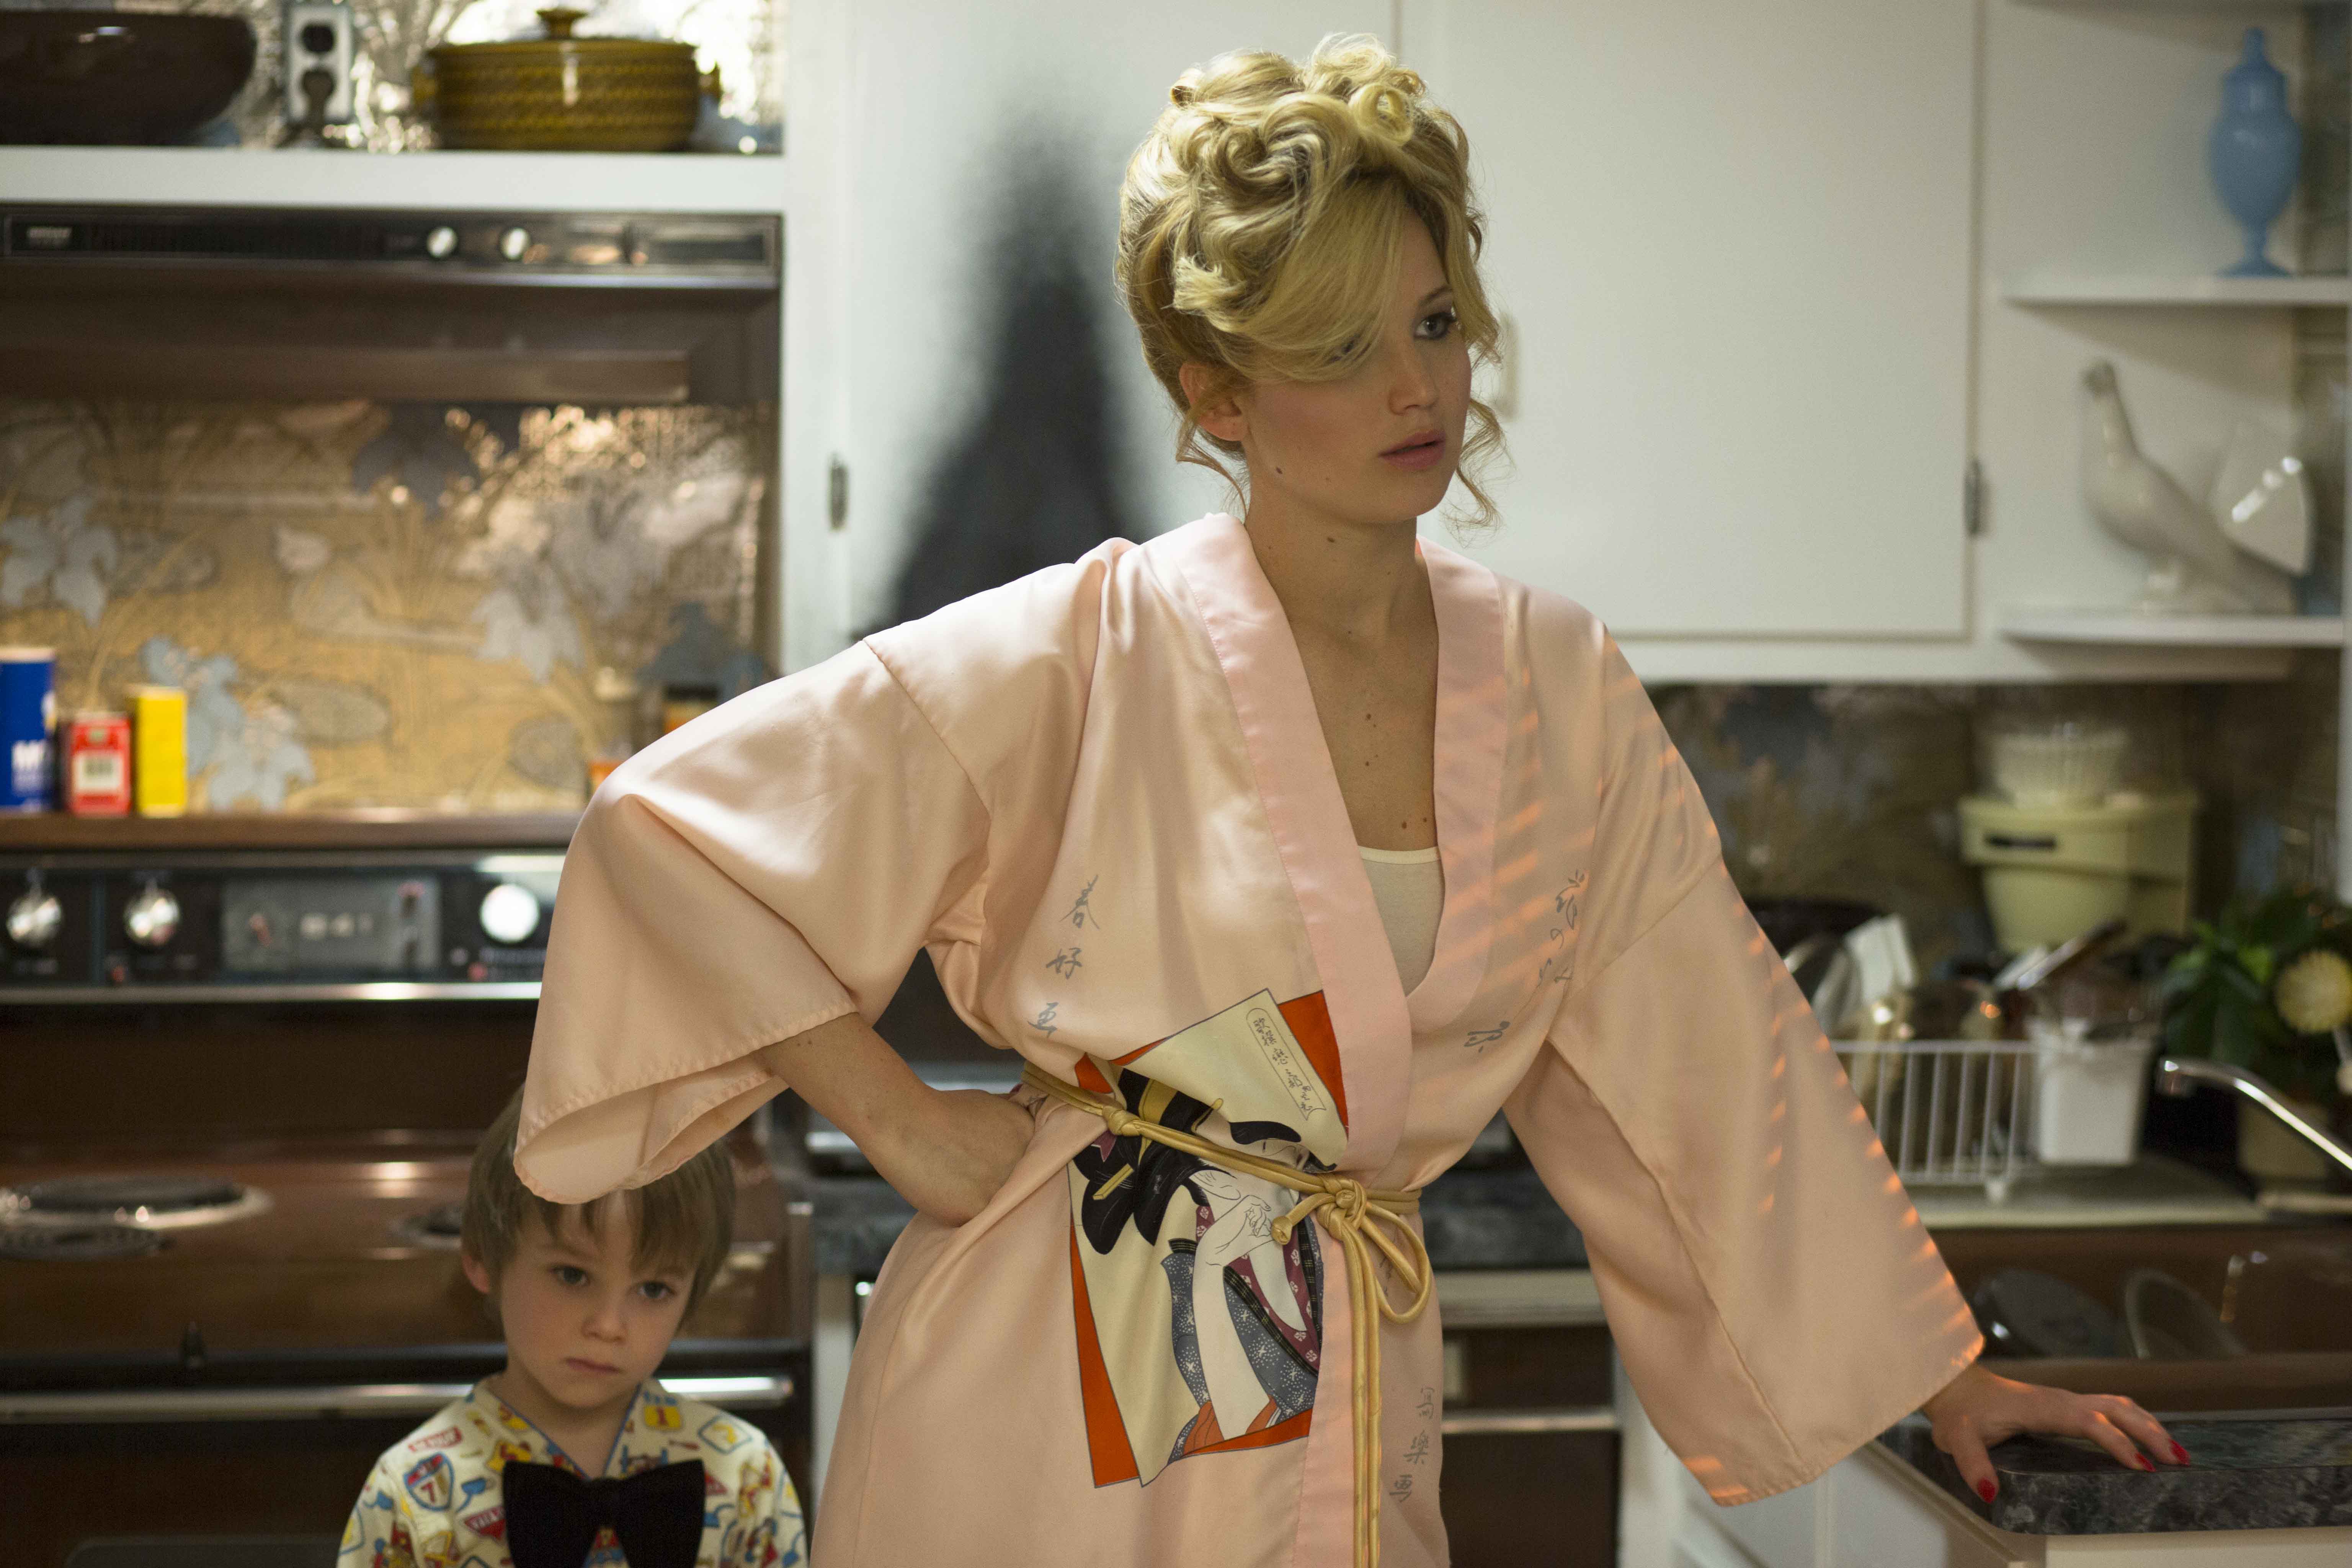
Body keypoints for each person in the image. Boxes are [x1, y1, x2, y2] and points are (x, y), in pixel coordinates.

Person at [516, 36, 2185, 1568]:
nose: (1415, 388)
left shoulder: (1555, 684)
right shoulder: (1072, 653)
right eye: (1339, 346)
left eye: (1433, 323)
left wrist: (1936, 1372)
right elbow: (667, 833)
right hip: (1040, 1399)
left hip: (1349, 1375)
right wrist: (900, 1122)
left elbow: (1712, 1052)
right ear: (1216, 392)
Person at [340, 1089, 805, 1568]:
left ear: (693, 1297)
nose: (608, 1326)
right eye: (572, 1275)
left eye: (653, 1289)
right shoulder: (409, 1494)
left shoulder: (748, 1477)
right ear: (482, 1256)